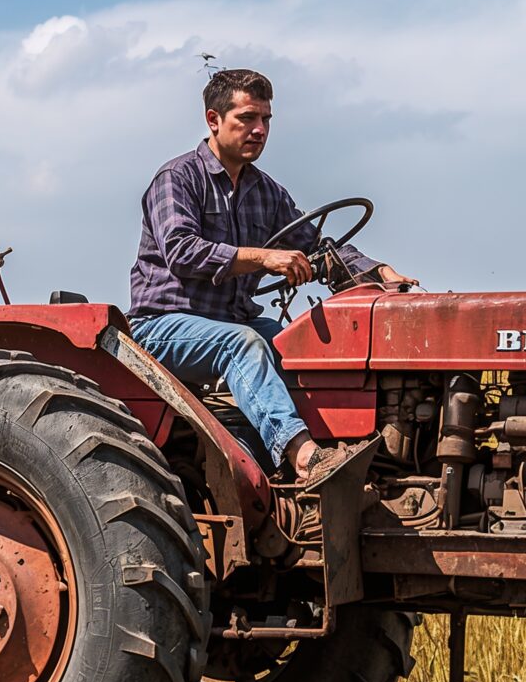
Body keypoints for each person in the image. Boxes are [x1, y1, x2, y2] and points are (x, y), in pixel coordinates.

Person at [128, 68, 415, 482]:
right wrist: (264, 258)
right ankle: (304, 458)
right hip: (163, 326)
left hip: (232, 319)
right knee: (243, 343)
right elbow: (182, 252)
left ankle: (339, 450)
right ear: (214, 120)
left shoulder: (266, 192)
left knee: (297, 344)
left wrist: (378, 271)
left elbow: (316, 245)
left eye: (265, 120)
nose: (259, 130)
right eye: (246, 118)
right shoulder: (178, 178)